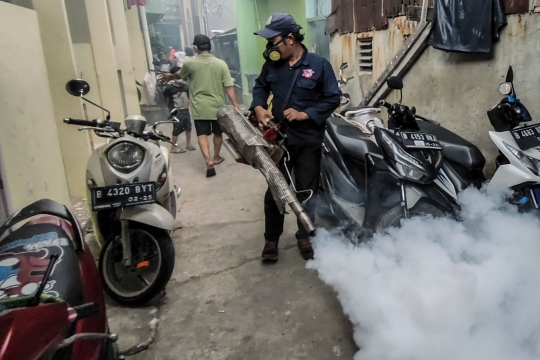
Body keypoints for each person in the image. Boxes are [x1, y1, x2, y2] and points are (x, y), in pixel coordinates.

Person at [250, 12, 341, 261]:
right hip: (278, 142)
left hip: (308, 141)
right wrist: (258, 107)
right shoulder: (272, 65)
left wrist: (306, 114)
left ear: (290, 39)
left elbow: (333, 97)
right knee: (275, 191)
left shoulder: (319, 65)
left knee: (306, 191)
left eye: (274, 41)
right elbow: (260, 87)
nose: (270, 47)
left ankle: (304, 235)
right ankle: (271, 239)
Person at [160, 34, 240, 177]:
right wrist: (235, 104)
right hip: (218, 106)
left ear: (195, 48)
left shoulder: (190, 63)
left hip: (199, 107)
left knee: (202, 134)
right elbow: (229, 86)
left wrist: (169, 77)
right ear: (210, 47)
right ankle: (216, 157)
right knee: (217, 133)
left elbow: (178, 75)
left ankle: (208, 160)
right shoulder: (221, 64)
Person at [162, 79, 195, 153]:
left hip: (185, 110)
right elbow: (164, 97)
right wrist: (169, 107)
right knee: (176, 128)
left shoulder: (186, 87)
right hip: (176, 112)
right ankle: (173, 148)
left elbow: (188, 98)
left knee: (188, 127)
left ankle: (188, 144)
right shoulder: (169, 88)